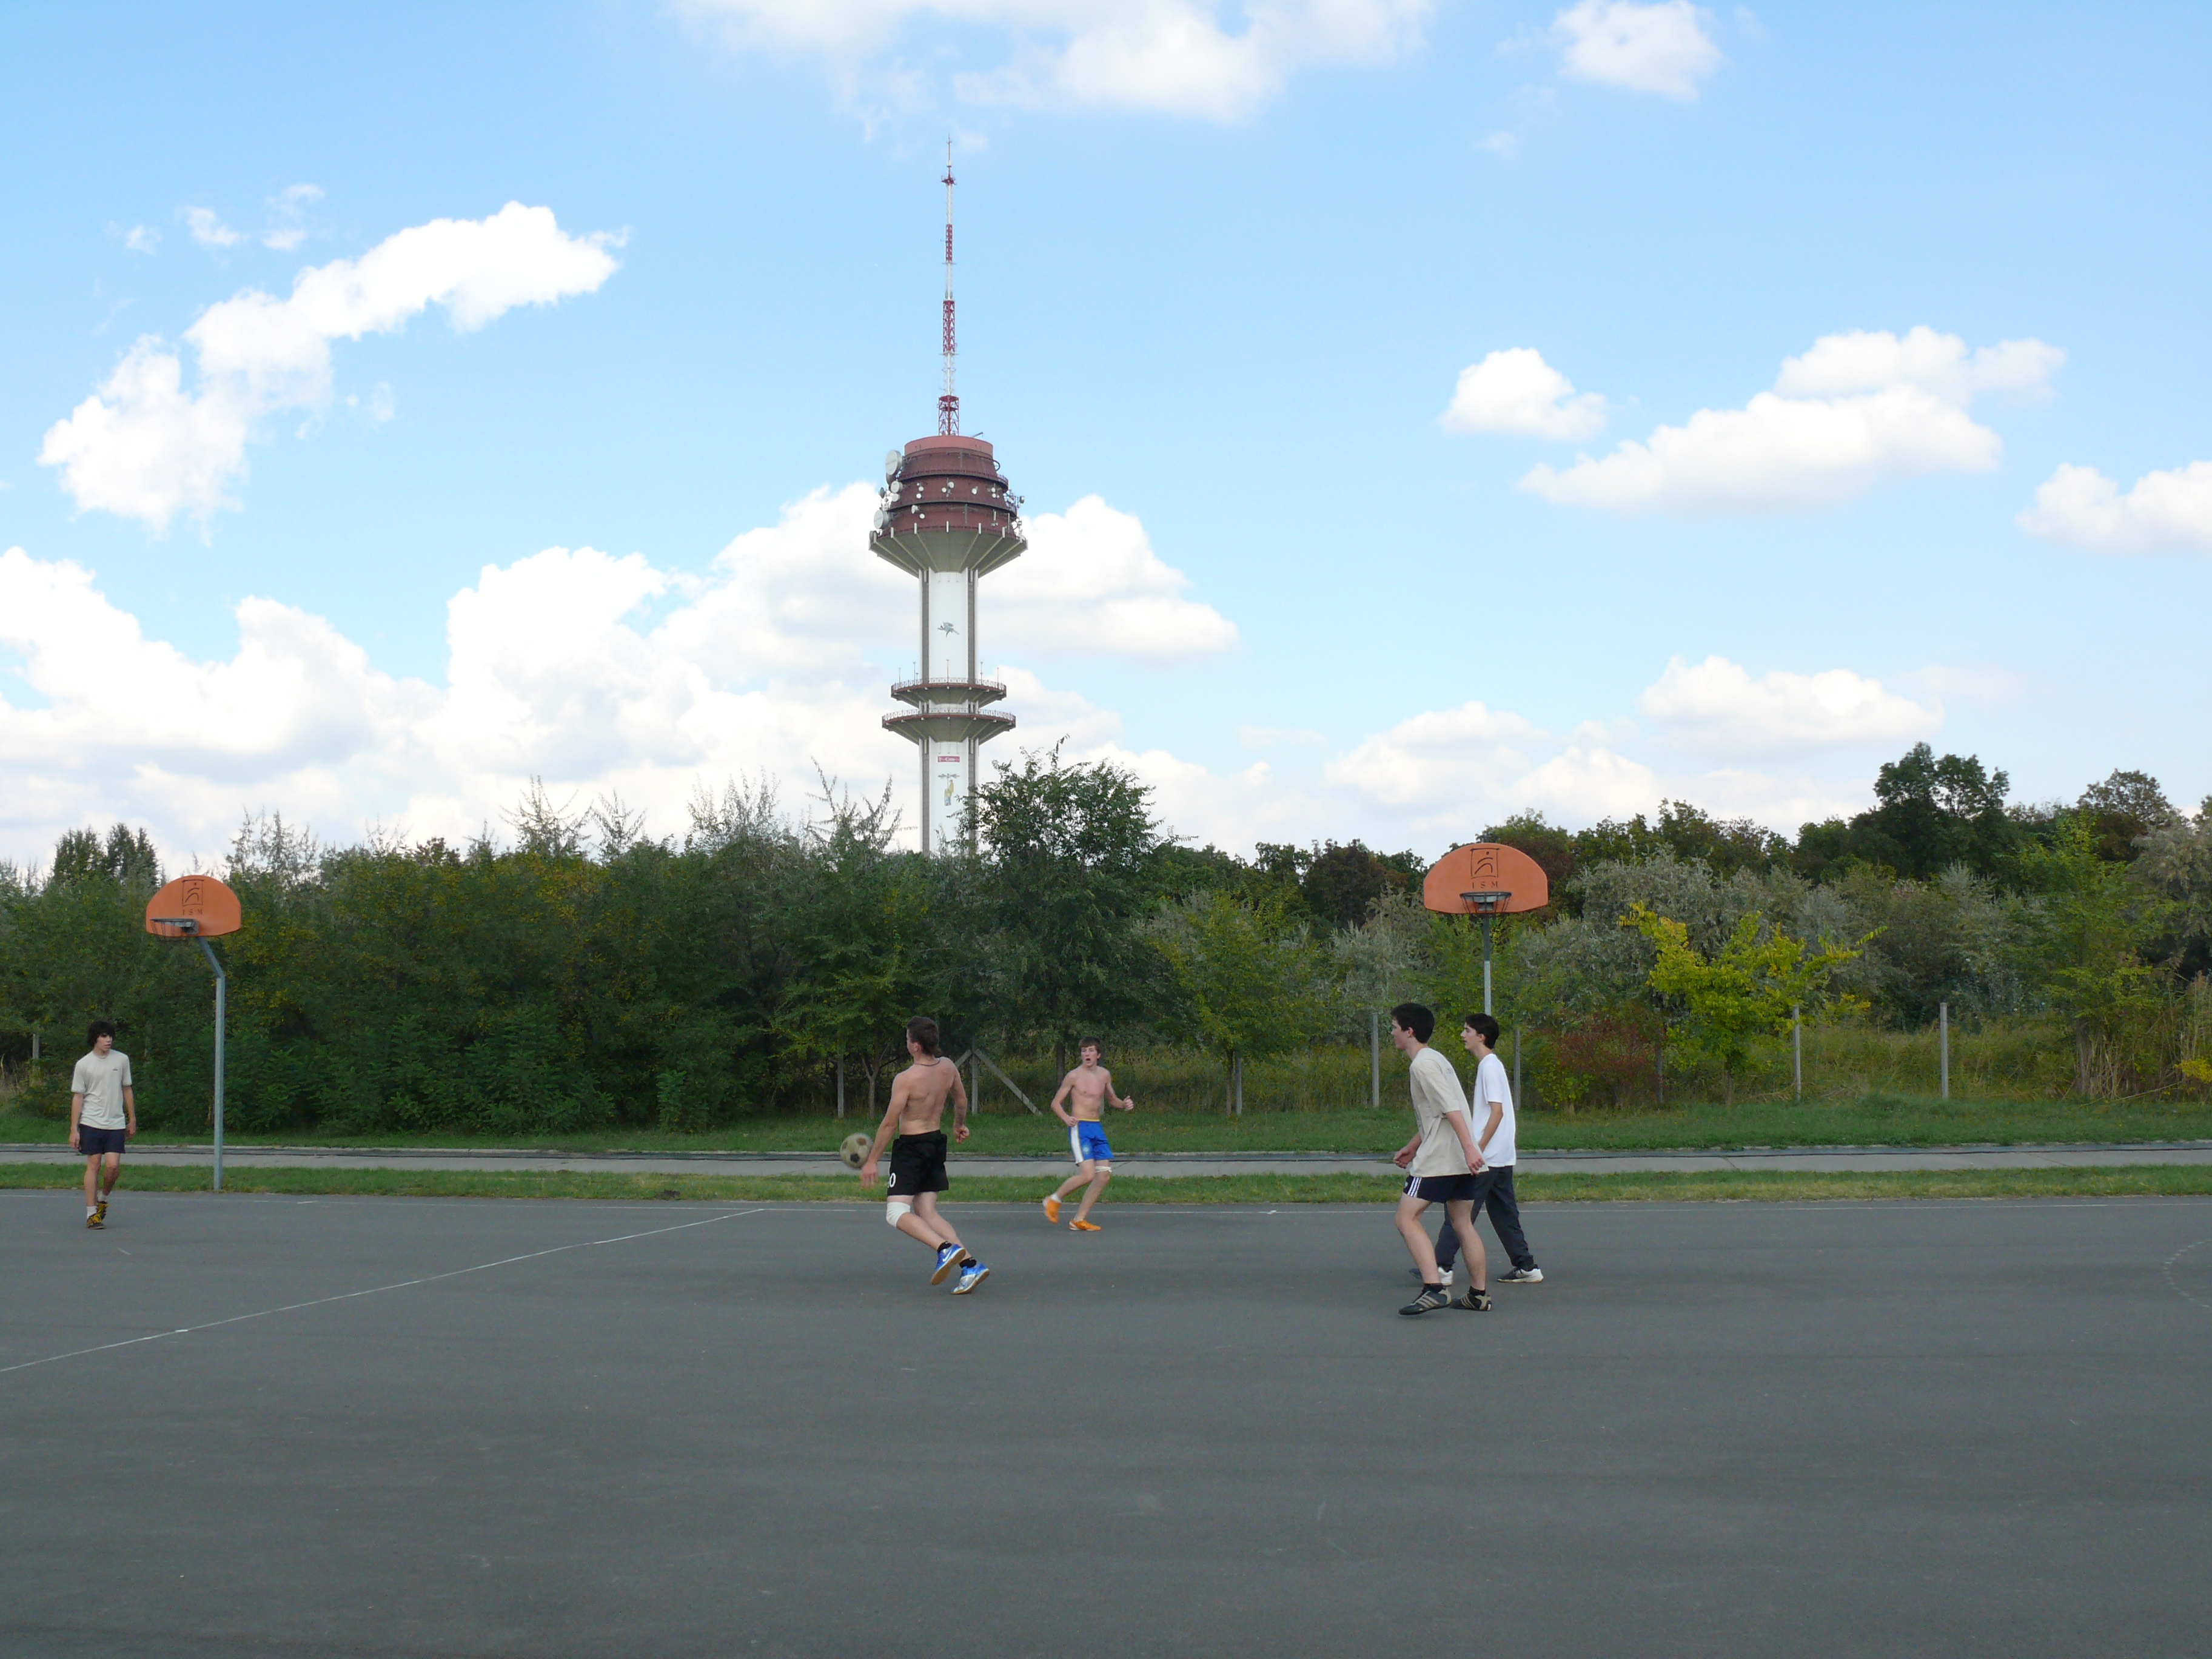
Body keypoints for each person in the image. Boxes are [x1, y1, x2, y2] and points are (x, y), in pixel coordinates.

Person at [859, 1017, 990, 1293]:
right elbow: (961, 1100)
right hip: (935, 1143)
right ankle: (970, 1265)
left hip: (912, 1149)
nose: (906, 1043)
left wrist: (872, 1161)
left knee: (896, 1213)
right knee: (927, 1211)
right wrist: (959, 1125)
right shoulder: (948, 1067)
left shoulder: (906, 1079)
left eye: (907, 1039)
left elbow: (889, 1124)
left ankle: (944, 1249)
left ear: (916, 1046)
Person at [1387, 1002, 1490, 1316]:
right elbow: (1438, 1115)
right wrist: (1413, 1146)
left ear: (1409, 1031)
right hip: (1457, 1157)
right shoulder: (1437, 1059)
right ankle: (1478, 1296)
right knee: (1462, 1223)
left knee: (1406, 1218)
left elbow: (1451, 1109)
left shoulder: (1422, 1065)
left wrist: (1470, 1149)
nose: (1392, 1033)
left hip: (1442, 1159)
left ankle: (1434, 1289)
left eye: (1394, 1027)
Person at [1433, 1014, 1543, 1285]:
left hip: (1489, 1157)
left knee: (1459, 1209)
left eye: (1467, 1030)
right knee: (1504, 1214)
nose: (1463, 1035)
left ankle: (1441, 1267)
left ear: (1481, 1037)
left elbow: (1497, 1112)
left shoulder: (1489, 1067)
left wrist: (1477, 1149)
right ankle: (1526, 1266)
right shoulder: (1491, 1065)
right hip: (1500, 1157)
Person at [1042, 1037, 1136, 1232]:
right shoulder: (1073, 1076)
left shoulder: (1104, 1075)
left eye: (1091, 1050)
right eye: (1084, 1051)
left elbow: (1112, 1100)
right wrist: (1066, 1118)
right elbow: (1055, 1103)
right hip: (1080, 1128)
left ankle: (1079, 1220)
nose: (1087, 1054)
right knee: (1088, 1175)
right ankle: (1053, 1200)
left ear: (1098, 1055)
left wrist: (1124, 1105)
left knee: (1104, 1176)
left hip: (1096, 1127)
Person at [70, 1019, 135, 1230]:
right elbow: (78, 1097)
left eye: (110, 1036)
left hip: (115, 1122)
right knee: (94, 1164)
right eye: (104, 1036)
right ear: (95, 1039)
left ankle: (103, 1198)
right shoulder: (84, 1064)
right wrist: (74, 1129)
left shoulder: (121, 1060)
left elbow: (127, 1089)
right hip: (91, 1121)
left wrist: (132, 1119)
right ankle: (91, 1214)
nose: (109, 1040)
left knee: (113, 1166)